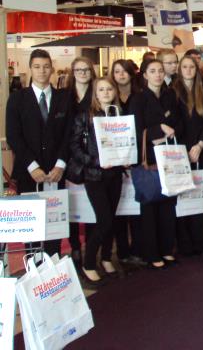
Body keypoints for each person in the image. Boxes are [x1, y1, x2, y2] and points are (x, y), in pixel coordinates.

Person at [6, 49, 70, 257]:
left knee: (54, 225)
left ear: (51, 68)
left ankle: (53, 262)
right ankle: (33, 268)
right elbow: (14, 136)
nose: (42, 71)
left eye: (45, 66)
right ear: (30, 69)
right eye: (37, 67)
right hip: (28, 173)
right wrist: (32, 166)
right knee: (31, 228)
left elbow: (69, 134)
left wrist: (61, 164)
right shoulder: (17, 99)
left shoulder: (64, 99)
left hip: (56, 173)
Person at [69, 77, 125, 282]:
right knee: (105, 220)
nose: (106, 93)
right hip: (95, 175)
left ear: (115, 92)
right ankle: (89, 262)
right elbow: (74, 147)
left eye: (109, 89)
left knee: (112, 218)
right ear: (95, 93)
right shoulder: (85, 116)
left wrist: (126, 158)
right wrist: (94, 161)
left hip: (116, 174)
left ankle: (107, 257)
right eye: (101, 89)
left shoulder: (120, 115)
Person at [130, 59, 181, 268]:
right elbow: (136, 128)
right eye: (153, 71)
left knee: (168, 205)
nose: (158, 75)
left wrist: (167, 130)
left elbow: (178, 121)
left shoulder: (170, 95)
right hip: (149, 158)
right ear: (145, 75)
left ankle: (167, 248)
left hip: (169, 155)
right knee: (150, 206)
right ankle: (152, 253)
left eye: (161, 71)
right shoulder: (139, 99)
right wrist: (159, 130)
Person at [173, 55, 203, 255]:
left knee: (200, 196)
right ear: (180, 70)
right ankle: (184, 242)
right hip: (180, 153)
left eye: (192, 67)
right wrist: (186, 149)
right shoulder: (173, 92)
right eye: (185, 67)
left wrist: (199, 145)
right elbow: (175, 124)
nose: (188, 70)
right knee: (182, 197)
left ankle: (199, 239)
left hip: (201, 150)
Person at [110, 59, 143, 266]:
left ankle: (138, 248)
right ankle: (122, 251)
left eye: (124, 71)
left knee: (137, 207)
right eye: (116, 72)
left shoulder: (140, 97)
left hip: (137, 158)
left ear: (131, 73)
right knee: (119, 210)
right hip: (114, 160)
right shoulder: (108, 98)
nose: (121, 75)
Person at [64, 57, 97, 267]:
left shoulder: (96, 94)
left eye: (86, 69)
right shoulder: (65, 96)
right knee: (73, 208)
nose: (83, 73)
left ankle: (92, 248)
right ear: (72, 72)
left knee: (93, 206)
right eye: (79, 69)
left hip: (92, 158)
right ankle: (75, 247)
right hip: (70, 158)